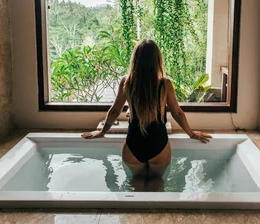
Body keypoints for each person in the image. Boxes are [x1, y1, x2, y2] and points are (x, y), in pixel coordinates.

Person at [81, 39, 211, 181]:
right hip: (158, 143)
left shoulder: (127, 81)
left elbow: (115, 110)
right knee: (157, 185)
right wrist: (190, 133)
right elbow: (177, 112)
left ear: (135, 59)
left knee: (136, 185)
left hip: (134, 143)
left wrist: (102, 131)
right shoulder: (165, 84)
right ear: (157, 60)